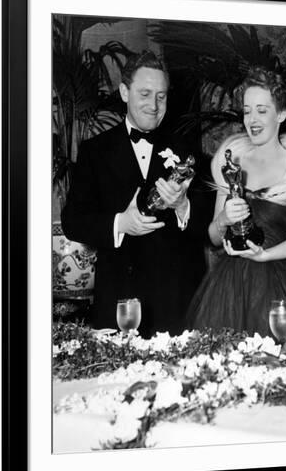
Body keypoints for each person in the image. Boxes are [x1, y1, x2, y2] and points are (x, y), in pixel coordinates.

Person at [61, 50, 213, 338]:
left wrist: (183, 206)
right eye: (145, 93)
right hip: (121, 303)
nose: (154, 105)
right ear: (124, 92)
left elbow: (210, 228)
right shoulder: (95, 151)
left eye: (161, 96)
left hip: (178, 304)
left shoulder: (189, 152)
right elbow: (73, 221)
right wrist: (121, 223)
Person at [186, 67, 286, 344]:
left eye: (262, 110)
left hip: (283, 285)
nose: (252, 119)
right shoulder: (230, 160)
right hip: (229, 289)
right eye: (247, 110)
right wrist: (223, 221)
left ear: (281, 114)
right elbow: (213, 236)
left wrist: (267, 255)